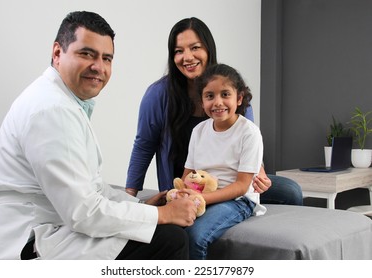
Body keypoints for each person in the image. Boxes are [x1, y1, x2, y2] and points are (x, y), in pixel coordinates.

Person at [0, 11, 198, 260]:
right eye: (86, 54)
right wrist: (163, 215)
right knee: (169, 240)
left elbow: (92, 188)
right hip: (24, 240)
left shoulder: (63, 101)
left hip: (50, 224)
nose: (99, 66)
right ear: (57, 53)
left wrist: (141, 206)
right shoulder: (52, 109)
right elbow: (84, 212)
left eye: (107, 58)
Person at [125, 17, 303, 206]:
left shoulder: (233, 91)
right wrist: (129, 197)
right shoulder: (158, 94)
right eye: (179, 51)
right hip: (190, 185)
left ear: (208, 49)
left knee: (290, 191)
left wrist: (260, 172)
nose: (187, 57)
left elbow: (248, 141)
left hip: (232, 182)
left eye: (195, 48)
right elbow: (144, 145)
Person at [184, 63, 265, 259]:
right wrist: (183, 194)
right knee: (169, 231)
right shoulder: (199, 131)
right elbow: (188, 174)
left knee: (195, 236)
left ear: (239, 98)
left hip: (237, 200)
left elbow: (241, 186)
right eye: (210, 96)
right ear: (202, 102)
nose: (217, 102)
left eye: (225, 94)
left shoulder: (249, 132)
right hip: (203, 195)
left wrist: (201, 199)